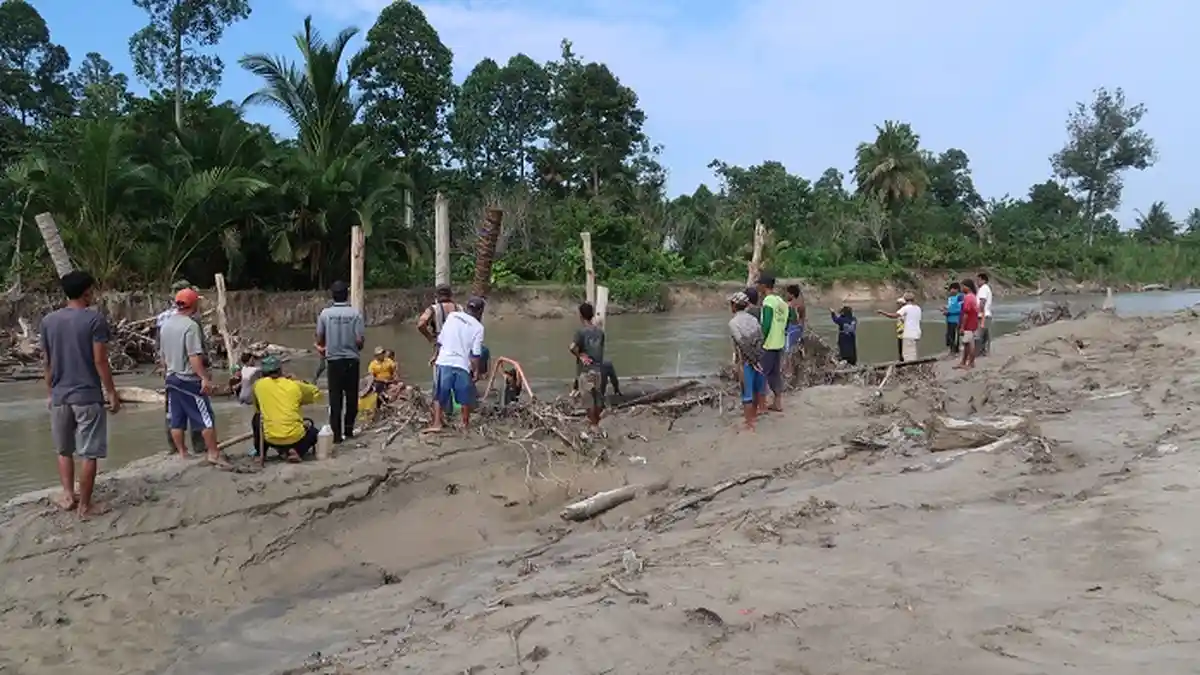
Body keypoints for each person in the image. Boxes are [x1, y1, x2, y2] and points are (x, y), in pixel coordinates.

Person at [41, 270, 119, 518]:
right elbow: (100, 361)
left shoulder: (48, 321)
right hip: (87, 396)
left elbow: (47, 363)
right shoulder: (94, 320)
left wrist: (50, 393)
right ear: (87, 292)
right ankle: (85, 506)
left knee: (64, 449)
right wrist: (112, 392)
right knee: (89, 452)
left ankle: (68, 495)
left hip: (60, 396)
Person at [161, 288, 229, 468]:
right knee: (205, 418)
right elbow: (194, 356)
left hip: (171, 378)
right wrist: (204, 378)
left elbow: (163, 356)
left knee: (177, 418)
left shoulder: (166, 324)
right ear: (194, 304)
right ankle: (214, 453)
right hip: (188, 379)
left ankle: (182, 452)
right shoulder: (190, 326)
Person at [425, 297, 486, 433]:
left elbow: (441, 340)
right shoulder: (478, 327)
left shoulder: (452, 317)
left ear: (466, 307)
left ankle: (437, 423)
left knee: (439, 394)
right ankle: (465, 424)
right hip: (462, 365)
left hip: (444, 361)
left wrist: (435, 356)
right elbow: (476, 354)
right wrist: (475, 371)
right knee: (465, 397)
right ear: (481, 311)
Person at [157, 279, 204, 454]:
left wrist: (164, 367)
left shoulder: (163, 318)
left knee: (172, 411)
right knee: (198, 409)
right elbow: (196, 350)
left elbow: (159, 346)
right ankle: (200, 446)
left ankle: (175, 448)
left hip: (171, 371)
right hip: (190, 372)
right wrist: (204, 375)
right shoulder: (193, 320)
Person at [316, 280, 365, 444]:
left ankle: (336, 435)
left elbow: (320, 338)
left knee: (335, 398)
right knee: (352, 397)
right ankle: (349, 429)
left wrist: (323, 347)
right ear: (347, 294)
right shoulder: (355, 314)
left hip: (333, 361)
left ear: (333, 295)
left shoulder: (325, 314)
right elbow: (360, 341)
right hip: (351, 359)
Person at [251, 355, 322, 463]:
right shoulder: (294, 385)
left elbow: (258, 409)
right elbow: (317, 393)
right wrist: (298, 382)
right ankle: (297, 451)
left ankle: (260, 453)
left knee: (257, 418)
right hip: (295, 438)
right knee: (313, 432)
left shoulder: (258, 385)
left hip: (270, 438)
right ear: (280, 370)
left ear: (262, 373)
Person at [727, 291, 765, 431]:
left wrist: (752, 361)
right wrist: (758, 359)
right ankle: (754, 417)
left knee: (746, 393)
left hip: (746, 362)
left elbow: (742, 343)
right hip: (759, 358)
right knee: (757, 390)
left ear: (734, 306)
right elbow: (761, 338)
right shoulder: (753, 319)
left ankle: (749, 424)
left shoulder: (733, 323)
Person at [570, 302, 607, 433]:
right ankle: (596, 423)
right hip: (598, 370)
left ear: (581, 316)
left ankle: (593, 425)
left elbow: (572, 347)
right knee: (597, 398)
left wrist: (580, 356)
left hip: (586, 371)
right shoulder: (600, 332)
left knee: (588, 400)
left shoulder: (580, 332)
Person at [755, 274, 788, 412]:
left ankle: (761, 405)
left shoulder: (768, 301)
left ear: (764, 286)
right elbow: (788, 320)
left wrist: (760, 340)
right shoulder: (781, 302)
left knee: (762, 373)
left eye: (759, 285)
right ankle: (778, 402)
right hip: (779, 342)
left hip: (768, 344)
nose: (757, 287)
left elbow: (766, 324)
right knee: (775, 373)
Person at [877, 292, 922, 362]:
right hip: (917, 334)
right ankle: (914, 367)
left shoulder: (905, 308)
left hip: (908, 334)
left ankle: (910, 370)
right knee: (913, 353)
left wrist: (882, 312)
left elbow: (893, 316)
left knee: (907, 355)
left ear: (905, 300)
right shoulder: (918, 308)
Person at [956, 279, 981, 370]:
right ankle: (964, 362)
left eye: (963, 286)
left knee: (969, 343)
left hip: (968, 324)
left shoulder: (968, 297)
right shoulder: (973, 297)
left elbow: (966, 314)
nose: (962, 288)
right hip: (973, 322)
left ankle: (970, 363)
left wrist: (962, 326)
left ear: (967, 287)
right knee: (967, 343)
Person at [942, 282, 964, 356]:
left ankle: (956, 351)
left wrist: (949, 313)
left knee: (955, 336)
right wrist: (945, 309)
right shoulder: (950, 298)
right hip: (949, 319)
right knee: (949, 335)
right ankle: (951, 350)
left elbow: (961, 309)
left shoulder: (960, 297)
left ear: (956, 289)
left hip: (956, 320)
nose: (950, 291)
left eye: (951, 289)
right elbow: (950, 307)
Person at [976, 272, 993, 356]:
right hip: (987, 314)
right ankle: (985, 351)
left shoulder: (983, 288)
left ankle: (981, 351)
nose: (977, 282)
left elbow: (982, 302)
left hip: (983, 315)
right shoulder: (987, 288)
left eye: (978, 280)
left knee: (980, 334)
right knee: (985, 334)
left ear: (983, 280)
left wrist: (979, 313)